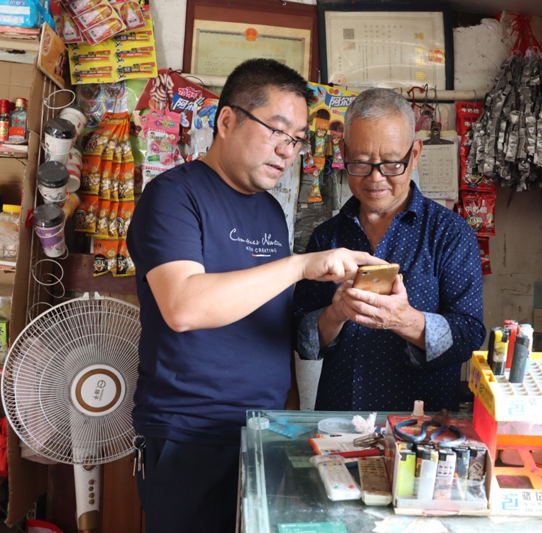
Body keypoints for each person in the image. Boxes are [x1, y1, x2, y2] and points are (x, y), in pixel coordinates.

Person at [127, 59, 382, 533]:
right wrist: (300, 265)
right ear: (227, 121)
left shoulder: (269, 210)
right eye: (277, 131)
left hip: (265, 431)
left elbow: (271, 323)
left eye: (297, 139)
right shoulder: (173, 196)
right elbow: (183, 306)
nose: (288, 151)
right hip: (190, 436)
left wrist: (290, 413)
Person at [293, 88, 486, 413]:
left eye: (392, 163)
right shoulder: (327, 237)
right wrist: (334, 314)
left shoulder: (449, 234)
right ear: (344, 152)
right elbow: (301, 339)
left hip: (421, 426)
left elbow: (469, 335)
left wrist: (405, 320)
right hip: (339, 421)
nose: (376, 178)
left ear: (415, 154)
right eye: (361, 162)